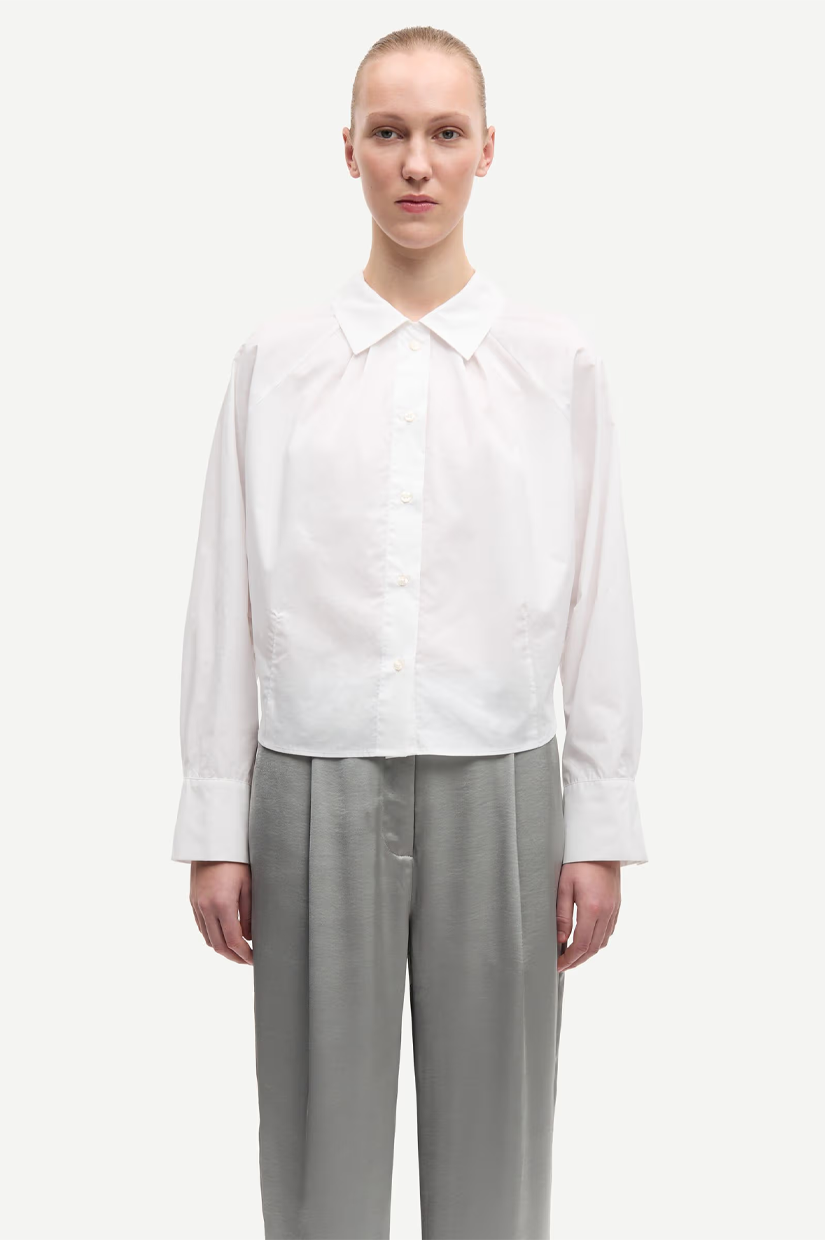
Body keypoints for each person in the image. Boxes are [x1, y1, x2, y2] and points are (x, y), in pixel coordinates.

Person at [171, 23, 647, 1240]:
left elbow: (597, 592)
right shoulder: (277, 360)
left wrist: (597, 819)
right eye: (389, 133)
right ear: (349, 151)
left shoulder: (557, 362)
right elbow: (225, 590)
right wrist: (217, 817)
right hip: (313, 779)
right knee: (317, 1158)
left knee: (497, 1153)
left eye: (444, 133)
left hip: (502, 779)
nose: (417, 163)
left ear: (489, 149)